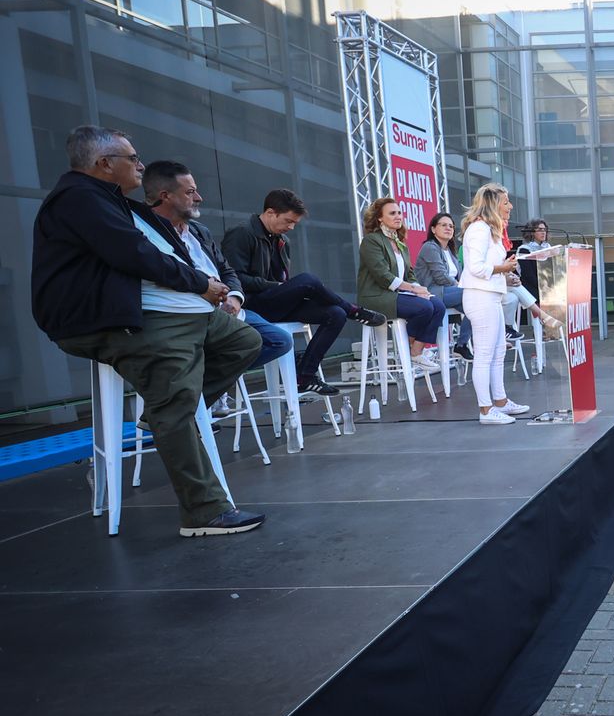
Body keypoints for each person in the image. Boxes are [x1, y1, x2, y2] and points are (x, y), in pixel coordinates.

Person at [33, 125, 264, 536]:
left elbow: (150, 254)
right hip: (102, 321)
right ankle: (204, 512)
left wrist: (211, 292)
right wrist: (200, 285)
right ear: (104, 164)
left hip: (152, 313)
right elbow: (134, 254)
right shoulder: (80, 199)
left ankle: (163, 413)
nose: (140, 165)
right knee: (174, 396)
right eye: (132, 159)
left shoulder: (108, 200)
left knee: (244, 339)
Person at [223, 187, 387, 393]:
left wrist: (285, 288)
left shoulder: (283, 241)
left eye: (294, 223)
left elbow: (283, 279)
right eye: (288, 221)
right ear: (271, 213)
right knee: (308, 280)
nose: (291, 227)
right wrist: (279, 287)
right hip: (251, 306)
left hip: (274, 302)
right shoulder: (242, 233)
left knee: (335, 314)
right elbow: (234, 279)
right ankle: (354, 310)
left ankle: (305, 375)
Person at [142, 161, 292, 377]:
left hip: (227, 310)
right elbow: (167, 274)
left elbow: (227, 270)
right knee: (305, 291)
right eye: (191, 192)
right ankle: (197, 388)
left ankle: (203, 384)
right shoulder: (145, 231)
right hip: (188, 314)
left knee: (280, 340)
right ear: (166, 196)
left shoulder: (198, 231)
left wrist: (234, 298)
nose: (199, 198)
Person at [457, 184, 527, 423]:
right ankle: (485, 410)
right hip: (480, 297)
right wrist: (503, 268)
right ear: (493, 205)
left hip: (491, 296)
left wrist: (507, 274)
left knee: (497, 352)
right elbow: (475, 268)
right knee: (485, 354)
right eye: (506, 202)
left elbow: (489, 270)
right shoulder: (479, 229)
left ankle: (500, 401)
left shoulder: (491, 231)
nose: (510, 206)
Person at [356, 197, 447, 375]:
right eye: (392, 213)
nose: (398, 216)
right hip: (376, 296)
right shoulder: (372, 241)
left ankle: (416, 351)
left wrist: (418, 288)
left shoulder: (400, 243)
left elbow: (410, 274)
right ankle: (410, 349)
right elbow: (383, 276)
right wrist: (414, 289)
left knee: (438, 306)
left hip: (399, 294)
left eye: (399, 213)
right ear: (380, 218)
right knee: (424, 307)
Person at [414, 212, 473, 363]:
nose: (448, 228)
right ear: (433, 229)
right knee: (474, 294)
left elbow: (460, 276)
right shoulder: (430, 247)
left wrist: (462, 285)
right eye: (443, 225)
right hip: (434, 292)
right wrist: (462, 286)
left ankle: (461, 344)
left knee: (475, 308)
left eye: (451, 226)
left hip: (452, 293)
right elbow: (440, 277)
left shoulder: (451, 252)